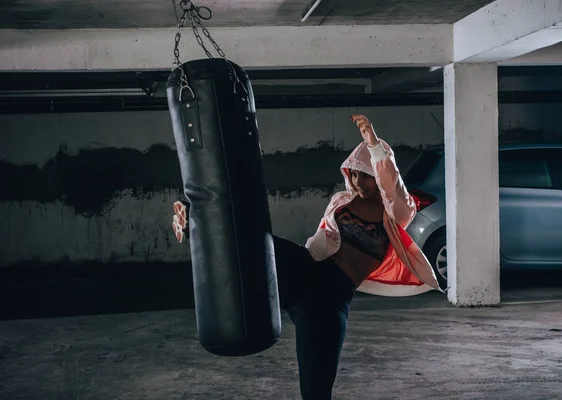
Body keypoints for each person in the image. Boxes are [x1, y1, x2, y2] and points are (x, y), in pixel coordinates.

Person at [172, 114, 442, 400]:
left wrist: (373, 144)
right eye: (355, 173)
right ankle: (194, 221)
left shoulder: (396, 213)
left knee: (316, 389)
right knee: (258, 244)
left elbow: (394, 188)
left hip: (330, 300)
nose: (359, 180)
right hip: (306, 269)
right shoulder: (341, 201)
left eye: (366, 175)